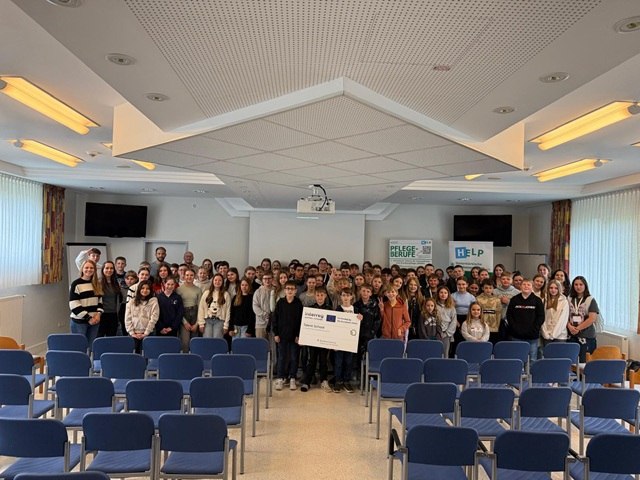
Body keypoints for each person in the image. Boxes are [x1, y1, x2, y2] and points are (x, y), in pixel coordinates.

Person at [300, 286, 333, 393]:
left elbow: (333, 326)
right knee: (312, 361)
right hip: (313, 341)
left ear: (325, 296)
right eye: (318, 295)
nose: (320, 297)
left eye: (322, 295)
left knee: (323, 361)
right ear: (315, 296)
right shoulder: (310, 309)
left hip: (324, 340)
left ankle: (324, 381)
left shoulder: (329, 309)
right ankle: (307, 382)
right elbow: (305, 324)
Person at [272, 281, 304, 391]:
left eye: (292, 289)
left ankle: (292, 378)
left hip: (294, 337)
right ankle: (281, 377)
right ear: (284, 290)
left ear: (295, 291)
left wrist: (299, 335)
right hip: (282, 336)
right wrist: (276, 333)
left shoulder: (298, 304)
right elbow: (275, 319)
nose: (290, 290)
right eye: (288, 288)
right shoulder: (280, 303)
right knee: (282, 357)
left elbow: (301, 321)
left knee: (294, 357)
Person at [505, 279, 545, 361]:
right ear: (520, 286)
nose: (526, 286)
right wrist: (515, 328)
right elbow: (509, 316)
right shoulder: (514, 299)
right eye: (524, 284)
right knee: (517, 358)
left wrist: (534, 329)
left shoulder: (537, 300)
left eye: (528, 285)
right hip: (516, 335)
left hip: (532, 336)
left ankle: (530, 371)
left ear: (532, 287)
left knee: (532, 359)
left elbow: (541, 317)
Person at [333, 288, 362, 393]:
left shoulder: (356, 310)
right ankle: (338, 381)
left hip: (351, 341)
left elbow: (359, 326)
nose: (346, 297)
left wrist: (360, 319)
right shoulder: (337, 310)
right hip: (339, 341)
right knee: (338, 362)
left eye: (348, 295)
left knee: (349, 362)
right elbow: (333, 327)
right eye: (344, 295)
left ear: (351, 297)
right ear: (340, 297)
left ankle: (346, 381)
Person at [69, 259, 103, 347]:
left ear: (94, 270)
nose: (89, 270)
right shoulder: (76, 284)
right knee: (79, 347)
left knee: (92, 347)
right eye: (86, 267)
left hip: (95, 321)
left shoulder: (97, 284)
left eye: (91, 268)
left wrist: (98, 314)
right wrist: (88, 318)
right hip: (79, 321)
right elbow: (74, 304)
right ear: (82, 269)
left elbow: (100, 302)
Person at [567, 276, 599, 362]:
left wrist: (578, 328)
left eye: (581, 284)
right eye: (576, 284)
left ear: (585, 286)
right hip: (571, 335)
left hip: (586, 335)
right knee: (571, 361)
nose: (578, 287)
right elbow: (564, 316)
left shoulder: (590, 300)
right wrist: (569, 326)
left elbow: (592, 318)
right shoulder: (569, 299)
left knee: (584, 362)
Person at [354, 283, 382, 378]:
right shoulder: (356, 305)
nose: (365, 293)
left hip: (370, 335)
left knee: (369, 356)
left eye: (368, 291)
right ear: (360, 292)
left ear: (371, 293)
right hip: (359, 335)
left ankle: (369, 376)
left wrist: (373, 332)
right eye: (363, 291)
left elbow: (377, 320)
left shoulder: (375, 305)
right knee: (358, 356)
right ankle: (359, 376)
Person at [125, 280, 159, 353]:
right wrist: (132, 333)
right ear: (139, 289)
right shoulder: (132, 301)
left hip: (148, 333)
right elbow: (127, 318)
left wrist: (146, 333)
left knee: (147, 354)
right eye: (143, 288)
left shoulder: (154, 301)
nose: (145, 290)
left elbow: (154, 318)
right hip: (133, 333)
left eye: (147, 288)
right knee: (133, 355)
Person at [197, 273, 231, 338]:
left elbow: (228, 311)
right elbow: (201, 308)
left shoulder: (226, 294)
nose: (217, 282)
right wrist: (201, 323)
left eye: (220, 280)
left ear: (222, 282)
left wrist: (226, 325)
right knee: (207, 340)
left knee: (217, 340)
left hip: (220, 321)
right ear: (212, 281)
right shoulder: (206, 293)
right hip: (207, 320)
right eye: (215, 280)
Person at [177, 268, 202, 352]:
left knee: (194, 342)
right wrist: (184, 322)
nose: (189, 277)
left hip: (195, 314)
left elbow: (200, 307)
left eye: (191, 275)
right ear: (184, 276)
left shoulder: (198, 290)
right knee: (185, 342)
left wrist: (197, 323)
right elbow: (178, 308)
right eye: (187, 275)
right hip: (184, 315)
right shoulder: (179, 289)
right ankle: (185, 358)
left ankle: (194, 358)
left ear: (194, 276)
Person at [541, 279, 569, 345]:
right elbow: (542, 318)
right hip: (546, 335)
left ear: (559, 289)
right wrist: (545, 333)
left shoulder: (564, 301)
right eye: (551, 288)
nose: (553, 290)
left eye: (556, 288)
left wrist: (554, 334)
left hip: (560, 336)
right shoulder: (544, 300)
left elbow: (563, 320)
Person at [97, 261, 121, 337]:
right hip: (101, 314)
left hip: (113, 314)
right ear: (103, 269)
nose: (109, 270)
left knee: (111, 338)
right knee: (100, 337)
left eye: (111, 268)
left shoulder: (116, 283)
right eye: (107, 268)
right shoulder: (98, 283)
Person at [476, 280, 502, 344]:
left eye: (490, 288)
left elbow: (498, 313)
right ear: (482, 288)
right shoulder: (478, 299)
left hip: (493, 325)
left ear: (493, 289)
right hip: (482, 324)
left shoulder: (497, 300)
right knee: (482, 342)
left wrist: (497, 326)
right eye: (486, 288)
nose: (488, 290)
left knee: (493, 342)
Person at [252, 271, 275, 340]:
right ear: (262, 280)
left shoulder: (276, 290)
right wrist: (264, 314)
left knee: (272, 345)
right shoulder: (258, 291)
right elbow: (255, 306)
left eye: (269, 278)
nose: (267, 280)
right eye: (265, 279)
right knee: (261, 344)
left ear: (272, 279)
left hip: (273, 323)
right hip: (261, 323)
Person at [436, 286, 457, 357]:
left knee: (445, 353)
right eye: (441, 292)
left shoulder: (451, 307)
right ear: (438, 294)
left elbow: (453, 322)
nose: (443, 294)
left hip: (446, 333)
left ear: (448, 295)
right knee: (435, 352)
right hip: (436, 332)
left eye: (445, 293)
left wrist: (447, 333)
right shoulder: (434, 305)